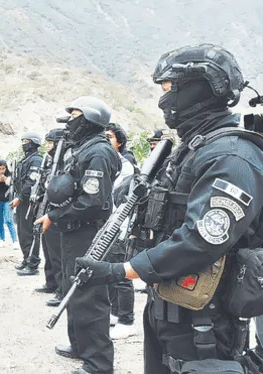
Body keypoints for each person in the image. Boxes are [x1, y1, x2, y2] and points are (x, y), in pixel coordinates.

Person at [74, 44, 263, 374]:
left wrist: (121, 271)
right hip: (171, 303)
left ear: (200, 88)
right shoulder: (192, 149)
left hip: (206, 319)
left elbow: (202, 239)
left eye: (169, 89)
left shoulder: (230, 155)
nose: (164, 99)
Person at [35, 96, 120, 374]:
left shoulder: (97, 152)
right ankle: (81, 346)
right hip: (75, 231)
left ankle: (98, 364)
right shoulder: (83, 149)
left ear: (90, 119)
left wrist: (54, 216)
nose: (70, 121)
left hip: (89, 233)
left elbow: (92, 202)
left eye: (75, 116)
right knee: (75, 291)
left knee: (90, 297)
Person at [104, 123, 138, 340]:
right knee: (109, 271)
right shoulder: (109, 163)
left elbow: (119, 199)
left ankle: (127, 319)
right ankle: (116, 313)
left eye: (109, 137)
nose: (106, 141)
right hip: (108, 226)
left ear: (120, 142)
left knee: (121, 273)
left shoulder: (125, 166)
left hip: (121, 226)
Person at [36, 128, 66, 301]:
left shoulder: (63, 162)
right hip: (46, 209)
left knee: (57, 253)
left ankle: (62, 290)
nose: (47, 146)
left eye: (50, 142)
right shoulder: (50, 162)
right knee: (47, 250)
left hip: (57, 212)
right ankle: (51, 283)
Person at [11, 132, 43, 276]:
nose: (24, 143)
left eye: (26, 141)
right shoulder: (26, 159)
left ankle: (32, 264)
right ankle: (26, 259)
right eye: (23, 141)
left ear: (33, 143)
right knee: (22, 233)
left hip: (29, 202)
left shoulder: (36, 160)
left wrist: (20, 197)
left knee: (29, 233)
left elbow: (31, 181)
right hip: (22, 200)